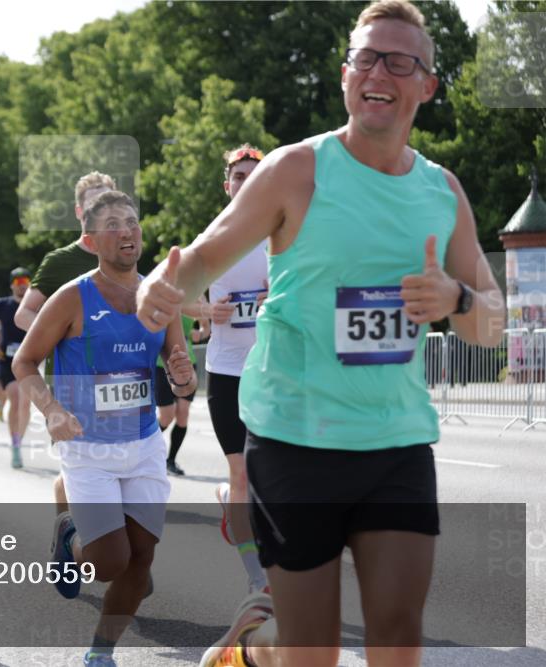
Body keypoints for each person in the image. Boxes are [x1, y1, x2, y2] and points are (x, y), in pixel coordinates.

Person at [135, 3, 505, 666]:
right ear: (344, 76)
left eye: (401, 60)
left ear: (428, 85)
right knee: (313, 653)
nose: (379, 71)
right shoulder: (295, 171)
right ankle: (249, 650)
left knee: (397, 638)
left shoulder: (442, 192)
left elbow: (495, 324)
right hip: (295, 439)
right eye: (366, 57)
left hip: (395, 440)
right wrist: (158, 290)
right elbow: (200, 258)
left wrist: (454, 298)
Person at [13, 191, 197, 667]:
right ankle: (71, 532)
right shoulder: (73, 295)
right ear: (93, 240)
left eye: (132, 221)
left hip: (143, 445)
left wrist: (182, 374)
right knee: (107, 562)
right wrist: (51, 409)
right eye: (113, 224)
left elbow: (181, 369)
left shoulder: (160, 293)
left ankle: (101, 651)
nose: (127, 231)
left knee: (141, 558)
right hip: (87, 448)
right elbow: (25, 361)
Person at [14, 170, 117, 516]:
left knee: (119, 466)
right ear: (79, 212)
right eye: (94, 204)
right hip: (71, 382)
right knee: (75, 466)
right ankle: (67, 534)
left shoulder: (125, 253)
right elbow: (24, 314)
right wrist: (63, 332)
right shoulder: (60, 262)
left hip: (119, 380)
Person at [201, 144, 271, 598]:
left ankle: (238, 509)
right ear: (227, 186)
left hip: (274, 370)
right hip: (226, 372)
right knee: (242, 475)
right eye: (238, 176)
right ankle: (258, 579)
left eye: (254, 174)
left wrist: (277, 299)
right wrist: (204, 309)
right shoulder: (211, 240)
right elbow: (171, 298)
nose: (245, 181)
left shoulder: (281, 235)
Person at [0, 267, 33, 469]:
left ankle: (19, 441)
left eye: (25, 282)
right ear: (12, 285)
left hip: (30, 358)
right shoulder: (2, 304)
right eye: (18, 283)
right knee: (16, 398)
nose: (22, 286)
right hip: (7, 360)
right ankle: (15, 444)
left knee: (26, 404)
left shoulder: (36, 304)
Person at [156, 311, 209, 476]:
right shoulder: (165, 293)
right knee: (167, 415)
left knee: (183, 414)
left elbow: (204, 330)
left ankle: (170, 460)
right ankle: (145, 450)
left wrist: (200, 332)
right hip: (161, 364)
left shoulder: (195, 294)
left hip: (187, 363)